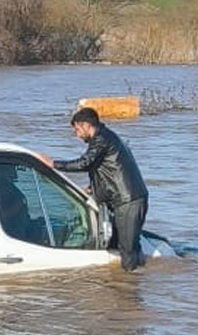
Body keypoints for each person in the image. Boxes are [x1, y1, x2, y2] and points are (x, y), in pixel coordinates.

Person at [38, 107, 149, 271]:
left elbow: (85, 163)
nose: (76, 134)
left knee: (127, 250)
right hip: (130, 199)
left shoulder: (101, 139)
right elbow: (108, 169)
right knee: (128, 247)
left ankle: (129, 289)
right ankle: (137, 279)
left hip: (128, 201)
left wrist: (53, 164)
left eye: (77, 129)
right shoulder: (106, 137)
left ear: (85, 125)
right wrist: (92, 188)